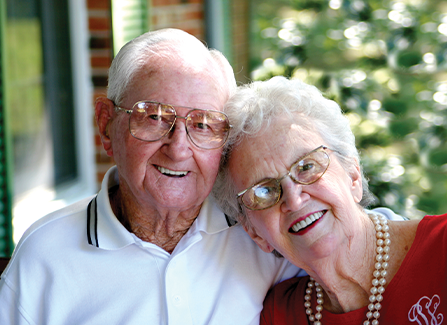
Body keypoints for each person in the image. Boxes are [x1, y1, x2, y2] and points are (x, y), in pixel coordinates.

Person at [0, 29, 403, 325]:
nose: (178, 147)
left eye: (204, 124)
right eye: (153, 117)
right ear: (107, 126)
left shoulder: (257, 227)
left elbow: (354, 237)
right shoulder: (47, 255)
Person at [214, 76, 447, 325]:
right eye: (264, 191)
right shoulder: (280, 316)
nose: (293, 199)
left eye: (306, 166)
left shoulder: (440, 248)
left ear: (353, 174)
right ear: (254, 232)